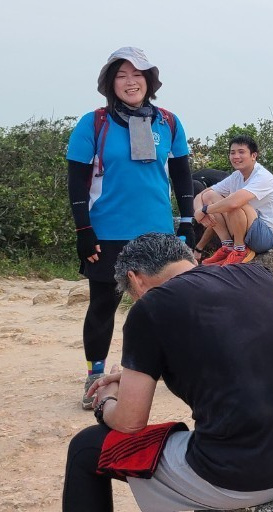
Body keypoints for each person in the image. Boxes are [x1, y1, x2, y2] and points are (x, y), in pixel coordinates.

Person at [63, 233, 273, 511]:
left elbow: (130, 422)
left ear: (135, 279)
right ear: (188, 258)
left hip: (247, 475)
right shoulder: (256, 275)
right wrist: (138, 376)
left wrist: (106, 401)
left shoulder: (150, 306)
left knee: (85, 447)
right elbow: (234, 356)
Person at [66, 46, 195, 410]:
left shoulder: (168, 123)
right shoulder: (94, 123)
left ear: (149, 81)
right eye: (121, 75)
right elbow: (76, 182)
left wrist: (187, 221)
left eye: (137, 74)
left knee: (166, 305)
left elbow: (181, 174)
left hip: (158, 233)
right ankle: (95, 374)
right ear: (110, 83)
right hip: (108, 231)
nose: (130, 82)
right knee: (103, 305)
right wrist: (83, 230)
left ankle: (169, 369)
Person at [192, 135, 273, 265]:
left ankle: (239, 250)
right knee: (210, 196)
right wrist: (198, 210)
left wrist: (205, 210)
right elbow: (203, 195)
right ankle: (227, 247)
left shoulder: (263, 176)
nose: (236, 156)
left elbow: (234, 203)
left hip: (266, 236)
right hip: (244, 228)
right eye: (232, 153)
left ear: (253, 156)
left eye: (241, 152)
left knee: (235, 202)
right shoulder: (236, 176)